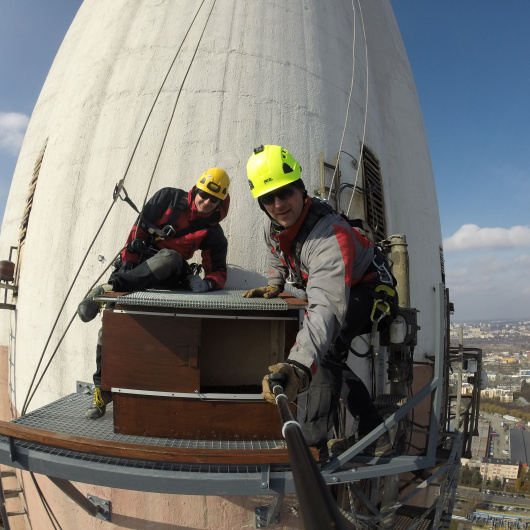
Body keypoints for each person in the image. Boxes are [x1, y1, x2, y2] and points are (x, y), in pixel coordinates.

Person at [243, 145, 397, 458]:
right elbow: (278, 254)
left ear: (300, 188)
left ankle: (312, 446)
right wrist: (273, 285)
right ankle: (373, 430)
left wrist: (299, 367)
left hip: (368, 291)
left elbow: (326, 306)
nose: (278, 204)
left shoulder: (329, 237)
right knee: (327, 355)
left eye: (285, 193)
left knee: (323, 355)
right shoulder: (273, 223)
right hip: (342, 286)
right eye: (268, 199)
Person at [78, 168, 230, 419]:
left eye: (214, 199)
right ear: (197, 189)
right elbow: (139, 229)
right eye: (203, 195)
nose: (206, 202)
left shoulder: (213, 232)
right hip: (140, 265)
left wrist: (207, 284)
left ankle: (106, 289)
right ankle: (102, 389)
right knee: (111, 326)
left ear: (220, 202)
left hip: (172, 270)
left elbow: (219, 271)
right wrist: (128, 263)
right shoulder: (168, 199)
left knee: (169, 257)